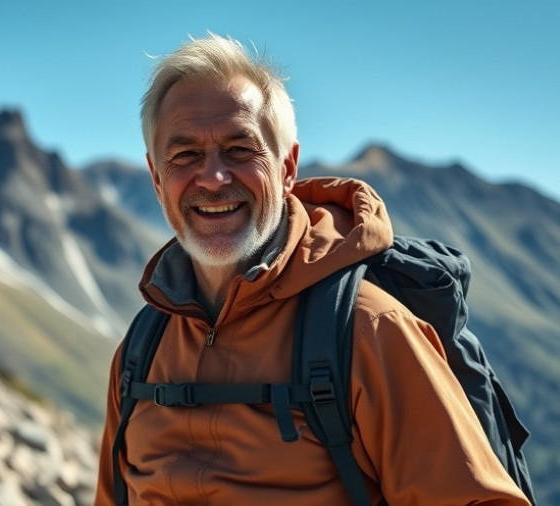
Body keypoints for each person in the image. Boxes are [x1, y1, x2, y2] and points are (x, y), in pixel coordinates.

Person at [95, 33, 531, 505]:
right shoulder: (142, 347)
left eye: (241, 150)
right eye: (185, 155)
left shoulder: (368, 330)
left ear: (287, 169)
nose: (214, 178)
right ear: (158, 180)